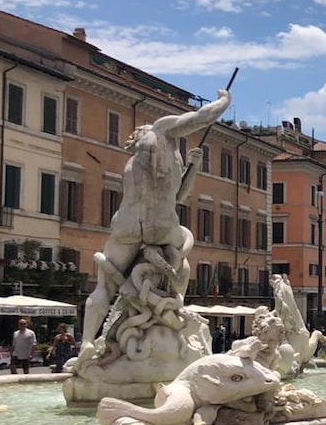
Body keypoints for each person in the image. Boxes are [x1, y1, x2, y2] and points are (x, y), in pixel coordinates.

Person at [81, 88, 232, 348]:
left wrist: (193, 166)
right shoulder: (161, 131)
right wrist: (223, 101)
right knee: (182, 253)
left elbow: (180, 194)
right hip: (162, 226)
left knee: (104, 286)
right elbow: (199, 118)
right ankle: (175, 306)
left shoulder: (134, 163)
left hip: (127, 224)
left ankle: (85, 342)